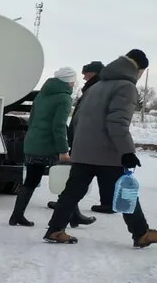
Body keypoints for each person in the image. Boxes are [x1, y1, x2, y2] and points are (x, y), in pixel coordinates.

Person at [45, 49, 156, 247]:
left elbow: (77, 119)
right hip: (106, 153)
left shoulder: (97, 86)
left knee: (71, 193)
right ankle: (141, 233)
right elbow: (117, 122)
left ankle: (55, 229)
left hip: (83, 151)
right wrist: (127, 152)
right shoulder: (126, 87)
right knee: (124, 192)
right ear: (138, 69)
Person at [10, 67, 94, 227]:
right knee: (67, 182)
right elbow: (59, 126)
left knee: (31, 181)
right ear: (69, 81)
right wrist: (63, 150)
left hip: (33, 142)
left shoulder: (42, 95)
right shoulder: (63, 98)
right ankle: (72, 216)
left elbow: (33, 119)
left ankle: (16, 215)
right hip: (49, 146)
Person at [47, 60, 115, 214]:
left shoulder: (95, 87)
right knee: (98, 171)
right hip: (91, 136)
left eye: (86, 73)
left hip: (88, 137)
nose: (83, 77)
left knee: (80, 174)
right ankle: (106, 203)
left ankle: (65, 204)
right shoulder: (98, 86)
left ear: (94, 73)